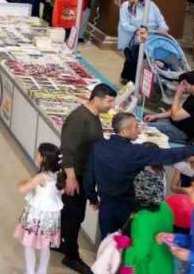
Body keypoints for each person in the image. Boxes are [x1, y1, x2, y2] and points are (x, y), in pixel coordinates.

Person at [86, 112, 194, 240]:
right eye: (136, 127)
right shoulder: (135, 152)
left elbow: (89, 177)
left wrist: (93, 199)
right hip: (126, 207)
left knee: (107, 242)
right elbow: (170, 154)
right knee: (126, 242)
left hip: (106, 205)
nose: (139, 130)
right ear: (125, 131)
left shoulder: (98, 147)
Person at [57, 83, 119, 272]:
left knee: (73, 214)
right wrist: (71, 177)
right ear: (96, 99)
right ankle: (71, 255)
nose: (111, 106)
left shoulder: (93, 116)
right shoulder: (78, 119)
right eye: (109, 102)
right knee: (73, 215)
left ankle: (62, 242)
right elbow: (67, 150)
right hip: (75, 176)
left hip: (83, 175)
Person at [15, 143, 65, 274]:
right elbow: (62, 191)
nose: (36, 155)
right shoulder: (57, 175)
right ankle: (42, 271)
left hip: (36, 215)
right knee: (45, 246)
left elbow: (22, 189)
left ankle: (30, 272)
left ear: (44, 158)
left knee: (28, 244)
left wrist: (23, 182)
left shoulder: (41, 177)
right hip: (50, 217)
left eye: (38, 153)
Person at [144, 72, 194, 144]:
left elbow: (175, 117)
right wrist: (156, 116)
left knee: (145, 127)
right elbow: (177, 111)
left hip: (181, 134)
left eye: (184, 84)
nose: (181, 87)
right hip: (173, 125)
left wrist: (177, 96)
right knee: (146, 116)